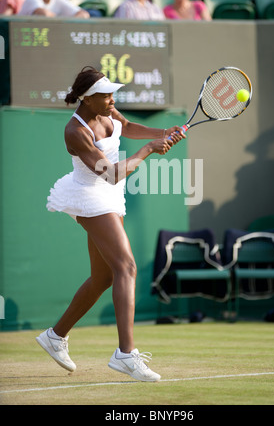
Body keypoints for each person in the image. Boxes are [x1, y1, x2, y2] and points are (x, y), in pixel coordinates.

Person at [36, 66, 185, 382]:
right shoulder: (75, 132)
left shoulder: (108, 111)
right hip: (91, 195)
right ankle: (126, 354)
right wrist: (148, 150)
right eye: (105, 95)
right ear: (86, 99)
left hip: (111, 196)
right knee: (127, 267)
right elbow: (110, 173)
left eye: (111, 93)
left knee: (103, 276)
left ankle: (55, 335)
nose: (111, 99)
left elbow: (127, 126)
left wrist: (162, 134)